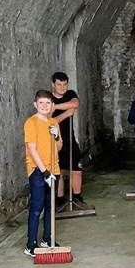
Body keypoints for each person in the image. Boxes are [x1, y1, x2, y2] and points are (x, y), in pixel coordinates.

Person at [23, 90, 62, 258]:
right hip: (38, 171)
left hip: (54, 169)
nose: (45, 106)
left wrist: (57, 135)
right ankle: (31, 243)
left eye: (48, 103)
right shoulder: (31, 123)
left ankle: (47, 238)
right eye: (41, 103)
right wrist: (44, 171)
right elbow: (32, 149)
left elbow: (59, 147)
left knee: (50, 206)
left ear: (52, 105)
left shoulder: (54, 122)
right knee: (37, 207)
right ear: (35, 105)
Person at [50, 72, 85, 206]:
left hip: (69, 138)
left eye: (65, 84)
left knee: (76, 168)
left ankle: (77, 197)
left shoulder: (70, 94)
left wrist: (56, 107)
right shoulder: (48, 98)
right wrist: (66, 113)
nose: (62, 87)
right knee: (58, 170)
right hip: (53, 139)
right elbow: (50, 121)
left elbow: (75, 104)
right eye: (59, 84)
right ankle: (59, 200)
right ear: (53, 84)